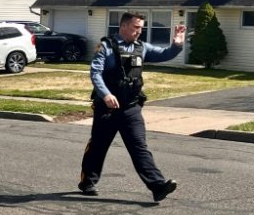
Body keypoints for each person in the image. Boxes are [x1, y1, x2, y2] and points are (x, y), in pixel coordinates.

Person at [78, 11, 186, 202]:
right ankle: (88, 181)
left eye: (141, 28)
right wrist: (106, 94)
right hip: (108, 108)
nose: (139, 31)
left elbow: (165, 54)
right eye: (136, 27)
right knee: (99, 145)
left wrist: (177, 44)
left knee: (139, 147)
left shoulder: (141, 47)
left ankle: (157, 186)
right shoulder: (106, 47)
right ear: (123, 26)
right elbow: (95, 74)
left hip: (131, 108)